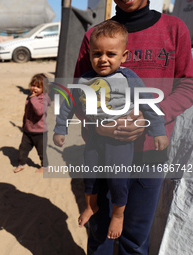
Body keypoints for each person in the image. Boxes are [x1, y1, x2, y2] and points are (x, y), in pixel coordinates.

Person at [53, 0, 193, 254]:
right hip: (102, 151)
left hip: (149, 154)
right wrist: (98, 127)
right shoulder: (93, 36)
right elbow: (79, 94)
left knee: (135, 238)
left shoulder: (175, 29)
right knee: (100, 235)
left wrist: (150, 119)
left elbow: (187, 85)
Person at [69, 20, 168, 239]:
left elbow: (148, 103)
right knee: (90, 174)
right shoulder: (85, 79)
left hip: (121, 141)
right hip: (95, 138)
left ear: (123, 56)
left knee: (117, 178)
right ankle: (90, 205)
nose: (103, 59)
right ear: (90, 54)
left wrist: (158, 130)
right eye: (97, 54)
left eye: (110, 54)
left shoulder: (128, 79)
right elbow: (75, 104)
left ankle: (118, 214)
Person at [14, 73, 51, 173]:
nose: (34, 88)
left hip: (40, 132)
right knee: (23, 149)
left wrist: (33, 99)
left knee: (42, 151)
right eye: (33, 85)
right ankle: (21, 164)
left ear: (44, 88)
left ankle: (45, 166)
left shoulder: (44, 99)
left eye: (38, 87)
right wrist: (24, 124)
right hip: (28, 130)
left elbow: (39, 111)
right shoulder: (30, 97)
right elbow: (27, 113)